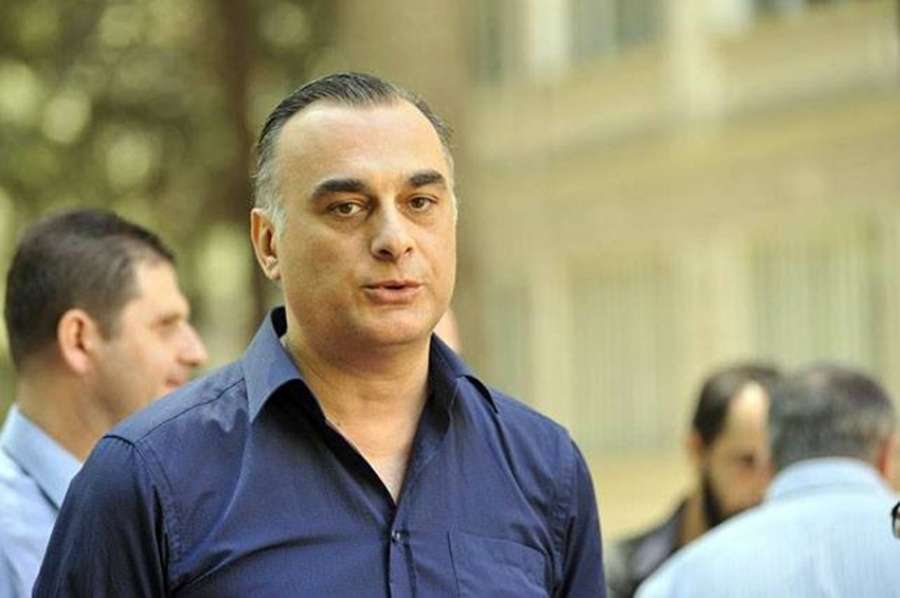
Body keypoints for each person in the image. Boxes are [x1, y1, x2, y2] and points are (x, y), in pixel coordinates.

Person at [34, 72, 605, 596]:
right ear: (268, 243)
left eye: (420, 202)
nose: (394, 239)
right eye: (347, 208)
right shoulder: (146, 478)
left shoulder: (544, 468)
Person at [0, 208, 208, 597]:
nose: (196, 352)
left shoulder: (169, 510)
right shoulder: (9, 544)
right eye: (166, 326)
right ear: (79, 340)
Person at [636, 363, 900, 597]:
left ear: (771, 458)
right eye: (744, 462)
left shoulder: (679, 582)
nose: (757, 486)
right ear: (888, 455)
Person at [605, 363, 780, 598]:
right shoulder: (621, 576)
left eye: (776, 466)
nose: (764, 486)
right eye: (746, 462)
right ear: (697, 450)